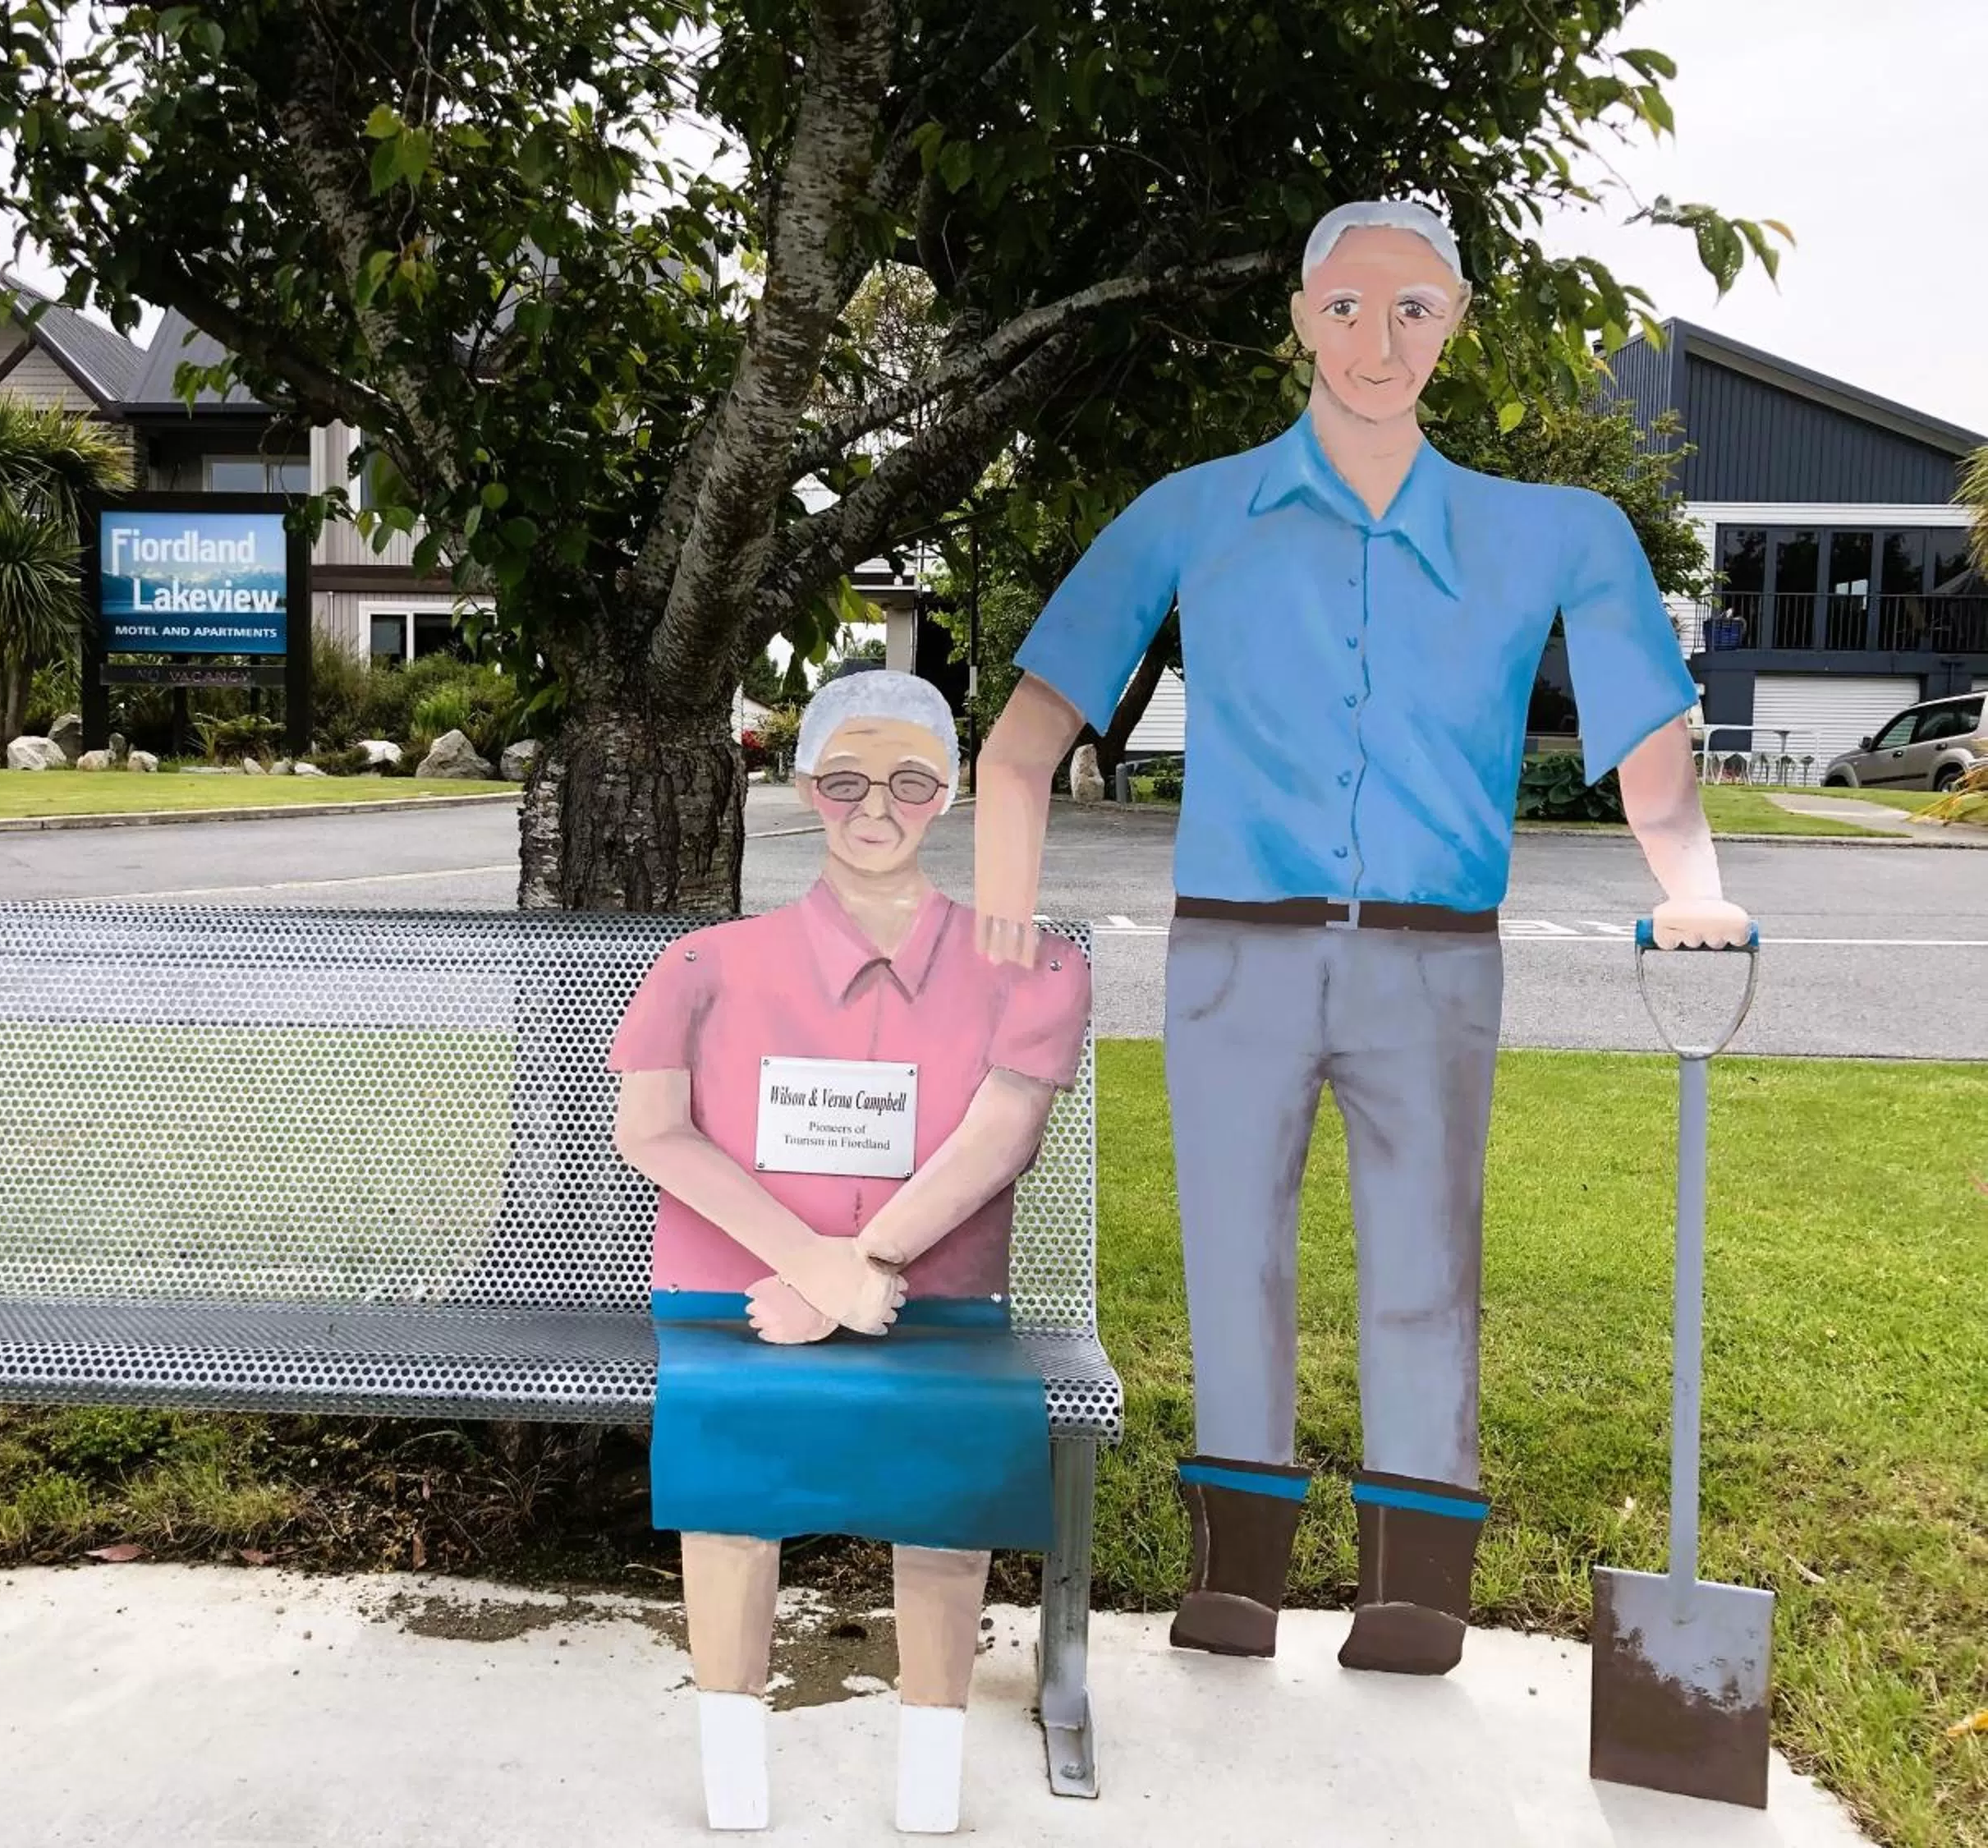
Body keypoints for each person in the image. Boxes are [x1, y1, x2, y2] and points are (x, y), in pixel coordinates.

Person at [971, 200, 1751, 1676]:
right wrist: (1001, 905)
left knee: (1423, 1262)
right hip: (1232, 956)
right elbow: (1020, 744)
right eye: (1346, 306)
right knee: (1232, 1261)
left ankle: (1412, 1594)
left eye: (1413, 310)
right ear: (1301, 320)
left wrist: (1692, 878)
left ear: (1453, 324)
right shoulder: (1192, 511)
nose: (1377, 340)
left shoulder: (1557, 531)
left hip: (1432, 957)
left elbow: (1658, 754)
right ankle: (1238, 1582)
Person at [609, 669, 1091, 1831]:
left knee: (946, 1469)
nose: (877, 809)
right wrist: (815, 1267)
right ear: (802, 784)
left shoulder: (1036, 964)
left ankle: (929, 1787)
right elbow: (651, 1127)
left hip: (936, 1306)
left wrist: (856, 1264)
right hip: (737, 1303)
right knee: (729, 1475)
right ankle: (734, 1783)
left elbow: (1001, 1134)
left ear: (952, 791)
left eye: (912, 781)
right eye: (845, 781)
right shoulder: (702, 965)